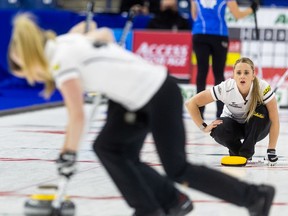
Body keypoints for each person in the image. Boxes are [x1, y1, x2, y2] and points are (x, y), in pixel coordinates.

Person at [8, 13, 275, 216]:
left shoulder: (58, 59)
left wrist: (67, 154)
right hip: (130, 99)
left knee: (177, 167)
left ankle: (253, 195)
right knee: (109, 148)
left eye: (26, 72)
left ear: (29, 57)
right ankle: (167, 202)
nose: (32, 78)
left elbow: (77, 116)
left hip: (156, 93)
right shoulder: (65, 42)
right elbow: (103, 34)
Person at [185, 57, 279, 165]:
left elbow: (275, 119)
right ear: (233, 75)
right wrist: (204, 127)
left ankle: (245, 153)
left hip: (256, 129)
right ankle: (237, 151)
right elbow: (191, 103)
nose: (242, 76)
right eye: (238, 73)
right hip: (233, 128)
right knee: (219, 128)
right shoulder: (225, 88)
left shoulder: (263, 87)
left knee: (262, 110)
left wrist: (271, 150)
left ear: (253, 75)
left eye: (246, 73)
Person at [191, 0, 259, 118]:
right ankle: (220, 112)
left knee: (202, 72)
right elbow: (237, 15)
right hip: (219, 35)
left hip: (200, 33)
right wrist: (252, 8)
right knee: (218, 73)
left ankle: (199, 110)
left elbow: (194, 15)